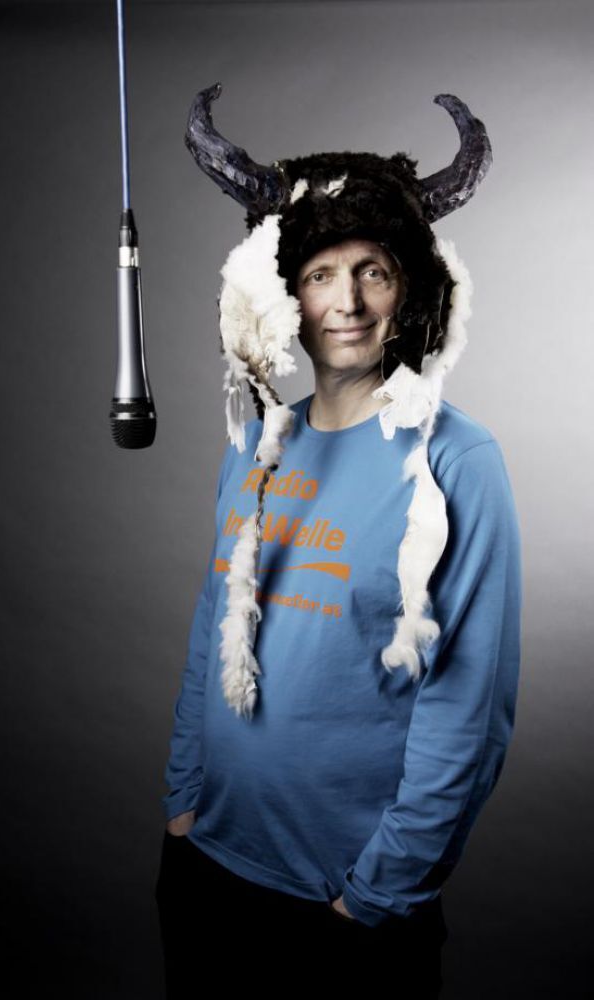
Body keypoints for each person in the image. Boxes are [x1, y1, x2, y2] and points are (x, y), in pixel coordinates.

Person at [154, 83, 522, 999]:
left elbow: (468, 709)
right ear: (288, 295)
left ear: (409, 290)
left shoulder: (457, 460)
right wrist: (181, 805)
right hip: (208, 870)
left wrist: (377, 894)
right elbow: (213, 628)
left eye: (374, 272)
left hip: (347, 908)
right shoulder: (255, 444)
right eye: (321, 274)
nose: (347, 301)